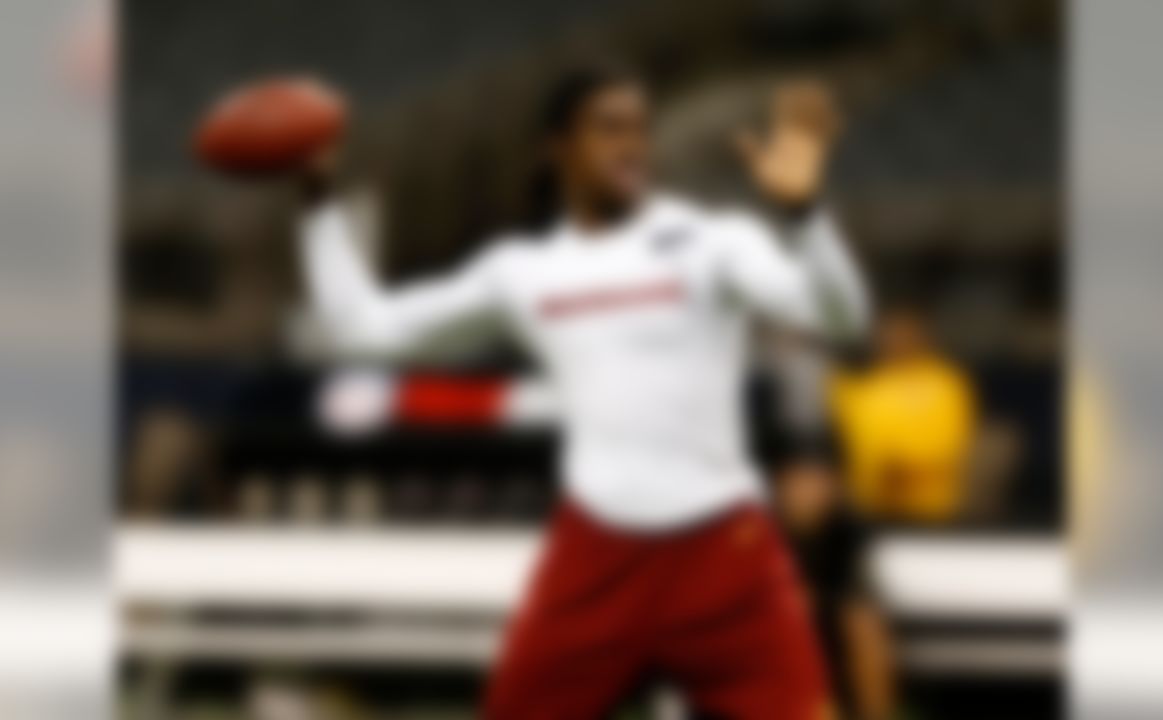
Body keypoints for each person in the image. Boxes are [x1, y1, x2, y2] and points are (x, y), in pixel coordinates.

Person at [288, 65, 870, 719]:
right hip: (597, 554)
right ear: (556, 147)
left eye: (640, 129)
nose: (631, 145)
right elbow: (363, 330)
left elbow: (842, 319)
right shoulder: (524, 273)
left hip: (724, 555)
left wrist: (805, 217)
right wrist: (317, 204)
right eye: (608, 128)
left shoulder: (710, 242)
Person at [773, 438, 897, 720]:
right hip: (764, 679)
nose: (803, 493)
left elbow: (860, 621)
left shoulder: (846, 536)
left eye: (815, 481)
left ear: (836, 486)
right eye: (794, 481)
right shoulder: (755, 533)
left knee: (862, 623)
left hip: (825, 683)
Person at [830, 306, 976, 524]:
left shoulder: (946, 383)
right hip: (865, 508)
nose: (896, 340)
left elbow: (953, 446)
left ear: (922, 337)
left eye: (904, 333)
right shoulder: (861, 385)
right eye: (889, 333)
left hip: (931, 510)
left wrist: (903, 471)